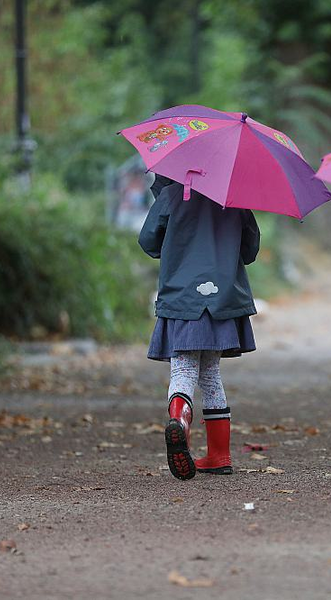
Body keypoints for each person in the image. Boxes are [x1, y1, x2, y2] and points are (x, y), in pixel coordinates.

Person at [139, 175, 259, 480]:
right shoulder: (235, 200)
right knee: (210, 375)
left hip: (183, 298)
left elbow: (149, 242)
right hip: (222, 301)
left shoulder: (171, 196)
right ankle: (220, 454)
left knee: (183, 371)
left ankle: (179, 421)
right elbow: (250, 251)